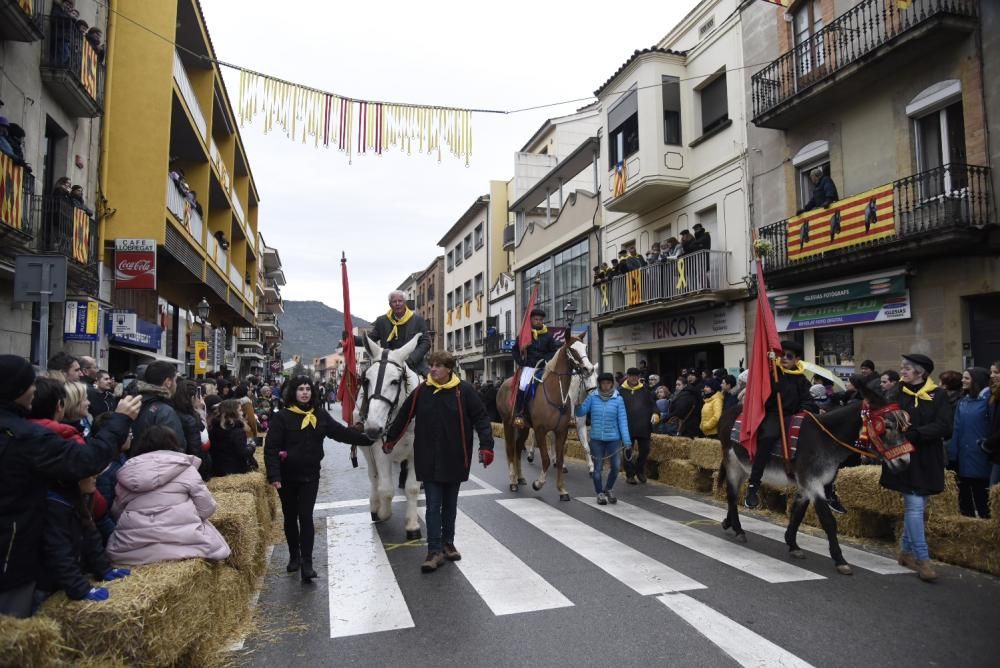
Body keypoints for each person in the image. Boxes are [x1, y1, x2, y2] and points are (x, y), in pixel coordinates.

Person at [0, 355, 139, 618]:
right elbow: (87, 462)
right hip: (13, 553)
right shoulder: (30, 437)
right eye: (29, 384)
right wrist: (119, 421)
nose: (33, 390)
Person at [383, 351, 494, 573]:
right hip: (429, 457)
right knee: (433, 506)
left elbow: (481, 417)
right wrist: (391, 439)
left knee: (450, 506)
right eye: (431, 365)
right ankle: (434, 551)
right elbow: (404, 416)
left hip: (456, 456)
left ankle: (447, 543)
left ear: (449, 368)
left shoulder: (465, 391)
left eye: (438, 366)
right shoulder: (422, 391)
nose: (432, 369)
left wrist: (486, 446)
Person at [264, 376, 374, 582]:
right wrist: (274, 476)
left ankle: (307, 563)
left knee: (305, 517)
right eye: (300, 389)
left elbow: (341, 433)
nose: (305, 392)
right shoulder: (282, 418)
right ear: (293, 393)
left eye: (308, 389)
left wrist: (368, 440)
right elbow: (271, 449)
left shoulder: (320, 415)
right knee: (290, 517)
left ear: (312, 393)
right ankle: (294, 556)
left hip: (310, 476)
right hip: (286, 478)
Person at [106, 427, 231, 566]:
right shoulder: (185, 468)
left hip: (132, 549)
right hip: (185, 542)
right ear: (174, 444)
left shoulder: (127, 473)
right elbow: (207, 507)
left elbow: (117, 511)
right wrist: (188, 517)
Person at [880, 353, 952, 581]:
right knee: (915, 506)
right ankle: (923, 559)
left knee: (918, 504)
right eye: (902, 368)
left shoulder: (938, 395)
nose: (902, 372)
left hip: (928, 457)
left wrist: (916, 434)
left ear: (921, 372)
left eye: (907, 369)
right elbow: (885, 418)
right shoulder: (896, 392)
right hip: (904, 457)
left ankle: (905, 552)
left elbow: (944, 426)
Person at [745, 341, 818, 510]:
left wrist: (803, 410)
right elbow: (761, 398)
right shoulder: (773, 374)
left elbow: (808, 401)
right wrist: (772, 391)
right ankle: (753, 486)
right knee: (768, 437)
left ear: (797, 359)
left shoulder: (801, 379)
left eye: (789, 356)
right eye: (782, 354)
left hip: (793, 416)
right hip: (774, 415)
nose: (784, 358)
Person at [575, 372, 631, 505]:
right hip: (597, 440)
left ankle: (609, 488)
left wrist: (627, 441)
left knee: (616, 467)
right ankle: (599, 492)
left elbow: (623, 421)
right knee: (598, 468)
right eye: (603, 383)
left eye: (608, 383)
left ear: (612, 384)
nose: (606, 386)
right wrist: (577, 406)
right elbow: (581, 412)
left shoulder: (618, 399)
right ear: (599, 384)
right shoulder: (592, 397)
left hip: (614, 439)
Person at [349, 290, 431, 375]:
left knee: (431, 385)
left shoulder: (418, 320)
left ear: (405, 303)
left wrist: (411, 360)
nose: (397, 303)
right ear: (390, 304)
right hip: (388, 367)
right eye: (394, 301)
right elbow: (370, 339)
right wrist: (351, 339)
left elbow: (426, 343)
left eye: (400, 301)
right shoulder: (382, 321)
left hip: (414, 366)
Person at [948, 367, 992, 518]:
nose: (963, 381)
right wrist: (952, 454)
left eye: (967, 378)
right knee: (964, 499)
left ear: (976, 380)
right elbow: (957, 429)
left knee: (983, 498)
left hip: (981, 456)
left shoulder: (989, 401)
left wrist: (985, 445)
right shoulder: (963, 402)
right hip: (963, 456)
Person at [511, 308, 560, 428]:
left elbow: (553, 350)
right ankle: (520, 413)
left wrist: (546, 359)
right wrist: (521, 362)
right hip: (529, 366)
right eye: (536, 319)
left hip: (544, 366)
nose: (538, 321)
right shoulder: (524, 335)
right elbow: (515, 350)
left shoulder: (548, 335)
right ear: (531, 320)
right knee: (522, 385)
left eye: (541, 320)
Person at [131, 361, 185, 446]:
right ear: (168, 382)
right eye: (175, 380)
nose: (176, 384)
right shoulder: (165, 411)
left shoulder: (134, 403)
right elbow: (176, 446)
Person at [619, 368, 655, 485]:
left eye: (636, 376)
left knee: (645, 450)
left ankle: (640, 469)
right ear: (627, 376)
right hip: (627, 426)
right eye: (631, 375)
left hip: (643, 426)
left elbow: (653, 405)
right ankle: (630, 474)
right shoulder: (620, 391)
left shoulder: (645, 390)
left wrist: (656, 413)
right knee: (627, 452)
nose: (634, 378)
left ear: (639, 377)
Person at [175, 379, 212, 480]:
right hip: (194, 469)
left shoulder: (174, 412)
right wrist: (199, 410)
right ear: (192, 398)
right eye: (197, 396)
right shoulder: (191, 419)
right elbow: (195, 449)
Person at [209, 399, 253, 477]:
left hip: (218, 470)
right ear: (233, 413)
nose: (242, 413)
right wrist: (252, 447)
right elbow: (242, 452)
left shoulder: (213, 428)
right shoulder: (237, 431)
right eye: (240, 410)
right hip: (235, 471)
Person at [669, 373, 703, 438]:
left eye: (679, 385)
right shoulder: (676, 395)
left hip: (689, 424)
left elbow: (680, 411)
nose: (677, 386)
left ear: (685, 385)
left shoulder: (688, 396)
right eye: (676, 385)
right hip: (680, 424)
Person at [984, 361, 1000, 487]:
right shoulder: (993, 395)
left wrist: (989, 442)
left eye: (996, 372)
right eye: (991, 372)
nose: (992, 375)